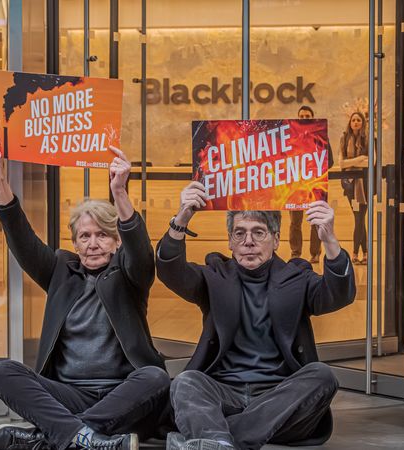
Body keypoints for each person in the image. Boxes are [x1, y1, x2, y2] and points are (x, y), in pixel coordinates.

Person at [0, 134, 170, 450]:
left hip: (124, 396)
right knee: (4, 372)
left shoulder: (129, 275)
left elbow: (140, 253)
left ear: (116, 241)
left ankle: (54, 437)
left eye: (102, 235)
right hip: (69, 394)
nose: (92, 243)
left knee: (155, 377)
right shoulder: (60, 271)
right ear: (75, 242)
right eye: (84, 236)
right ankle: (89, 438)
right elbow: (22, 239)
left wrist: (119, 192)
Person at [157, 182, 356, 450]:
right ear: (229, 241)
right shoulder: (215, 275)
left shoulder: (296, 277)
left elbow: (339, 294)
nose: (248, 241)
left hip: (279, 396)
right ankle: (229, 437)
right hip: (224, 392)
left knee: (322, 376)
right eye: (239, 233)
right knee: (187, 382)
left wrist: (329, 239)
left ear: (275, 239)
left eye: (258, 232)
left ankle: (214, 438)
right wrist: (182, 217)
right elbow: (171, 271)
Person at [289, 105, 334, 262]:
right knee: (295, 222)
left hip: (315, 186)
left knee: (315, 221)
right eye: (301, 116)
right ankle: (296, 253)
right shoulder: (290, 137)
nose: (304, 118)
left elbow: (331, 161)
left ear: (313, 118)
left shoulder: (321, 136)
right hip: (296, 186)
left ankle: (315, 253)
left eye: (307, 116)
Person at [339, 112, 370, 264]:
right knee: (359, 219)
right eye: (353, 120)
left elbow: (370, 162)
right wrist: (360, 159)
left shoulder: (369, 139)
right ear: (350, 123)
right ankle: (365, 253)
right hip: (350, 184)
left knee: (359, 218)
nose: (356, 122)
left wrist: (350, 162)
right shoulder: (344, 139)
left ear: (362, 123)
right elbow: (341, 163)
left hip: (365, 185)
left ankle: (355, 253)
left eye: (359, 120)